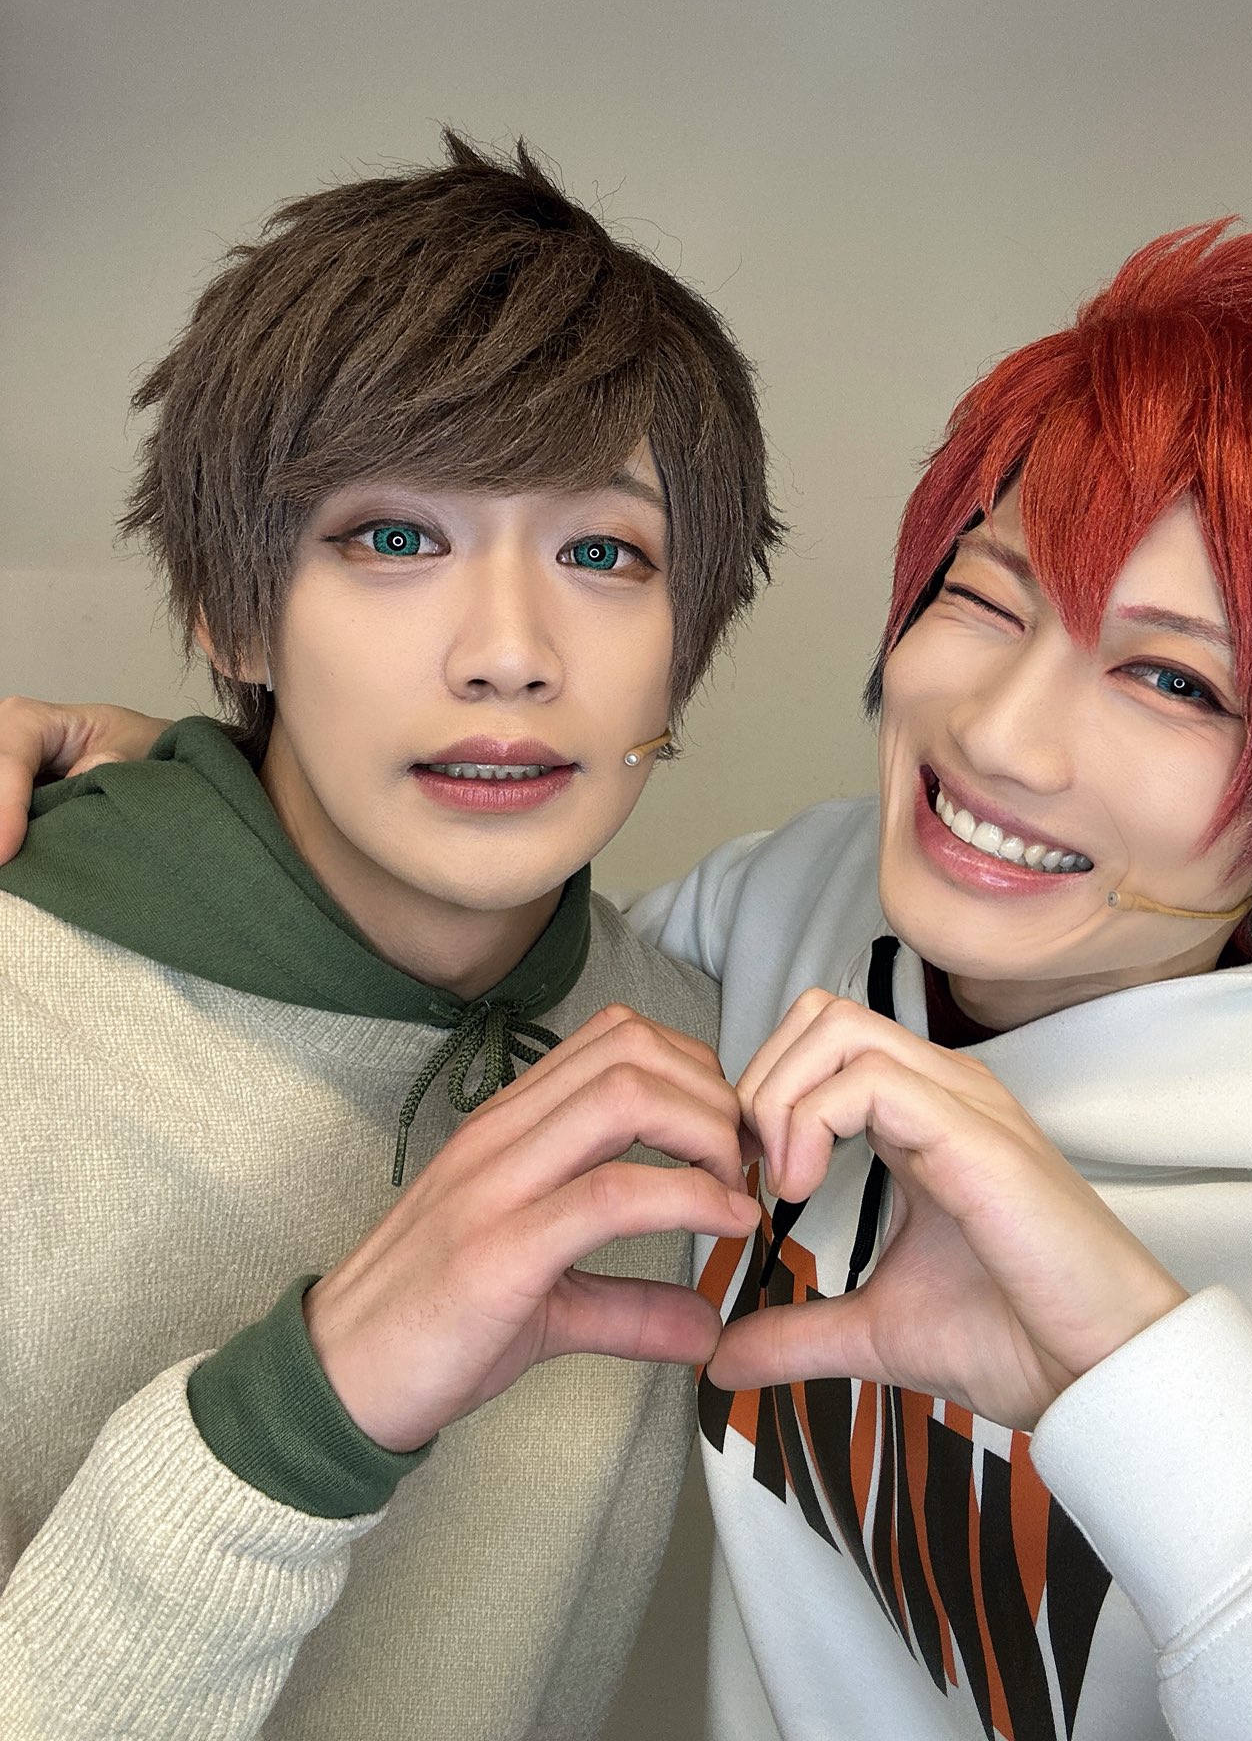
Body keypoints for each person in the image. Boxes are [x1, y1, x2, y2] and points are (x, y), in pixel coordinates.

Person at [11, 220, 1252, 1739]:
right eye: (989, 599)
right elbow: (406, 916)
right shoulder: (776, 935)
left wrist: (1149, 1384)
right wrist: (174, 791)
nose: (1001, 739)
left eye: (1172, 680)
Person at [0, 131, 780, 1740]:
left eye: (602, 552)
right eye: (396, 537)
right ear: (231, 610)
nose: (508, 654)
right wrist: (294, 1422)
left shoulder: (705, 1048)